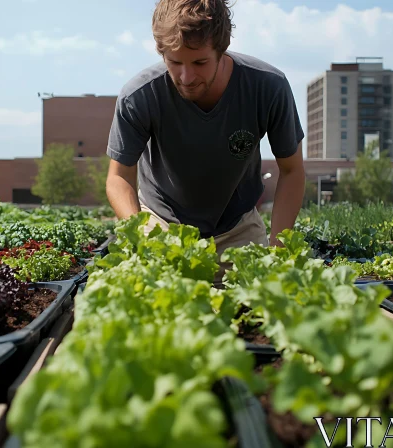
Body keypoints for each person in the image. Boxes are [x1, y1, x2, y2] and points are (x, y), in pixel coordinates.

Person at [104, 0, 306, 286]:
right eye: (174, 63)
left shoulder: (267, 87)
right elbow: (118, 178)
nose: (186, 77)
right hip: (160, 227)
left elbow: (292, 170)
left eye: (199, 62)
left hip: (238, 230)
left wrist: (279, 251)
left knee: (258, 313)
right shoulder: (138, 96)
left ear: (221, 50)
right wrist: (142, 241)